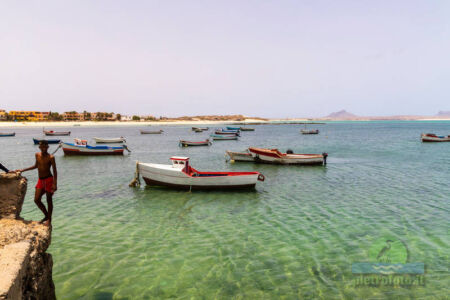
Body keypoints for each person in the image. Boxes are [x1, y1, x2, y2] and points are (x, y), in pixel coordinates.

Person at [15, 140, 57, 226]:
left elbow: (55, 171)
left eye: (45, 147)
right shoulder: (37, 155)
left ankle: (49, 220)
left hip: (49, 180)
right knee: (37, 199)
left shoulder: (51, 157)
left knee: (49, 200)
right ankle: (46, 216)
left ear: (48, 147)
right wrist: (22, 170)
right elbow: (35, 166)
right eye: (41, 147)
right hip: (40, 180)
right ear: (39, 147)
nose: (43, 148)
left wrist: (54, 184)